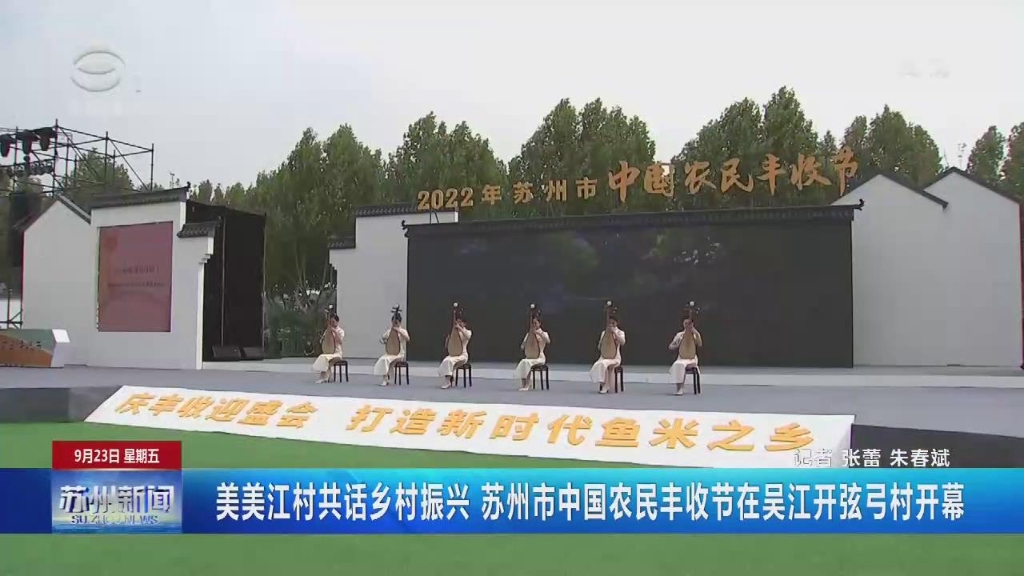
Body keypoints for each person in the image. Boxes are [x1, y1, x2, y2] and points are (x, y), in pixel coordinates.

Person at [513, 305, 550, 391]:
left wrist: (539, 334)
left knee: (527, 363)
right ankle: (524, 383)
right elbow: (522, 346)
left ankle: (528, 384)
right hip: (531, 356)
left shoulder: (544, 333)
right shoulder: (529, 334)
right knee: (523, 361)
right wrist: (525, 343)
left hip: (539, 357)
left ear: (539, 324)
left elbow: (548, 341)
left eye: (536, 323)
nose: (534, 325)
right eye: (533, 323)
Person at [373, 306, 410, 386]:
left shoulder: (403, 331)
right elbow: (382, 339)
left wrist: (399, 331)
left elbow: (407, 339)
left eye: (396, 322)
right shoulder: (389, 331)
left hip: (399, 354)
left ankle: (386, 379)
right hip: (390, 353)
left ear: (399, 322)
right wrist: (385, 341)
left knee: (387, 360)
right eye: (393, 322)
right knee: (383, 359)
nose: (394, 324)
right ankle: (385, 378)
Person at [590, 312, 625, 394]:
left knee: (603, 364)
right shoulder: (604, 333)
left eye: (613, 323)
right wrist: (601, 343)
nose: (611, 325)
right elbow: (600, 347)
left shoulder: (620, 332)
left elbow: (623, 342)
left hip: (615, 358)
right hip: (604, 356)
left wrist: (614, 333)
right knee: (598, 364)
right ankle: (603, 383)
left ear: (617, 323)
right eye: (610, 323)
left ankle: (606, 386)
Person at [438, 306, 472, 389]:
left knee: (449, 361)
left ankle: (448, 381)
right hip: (454, 354)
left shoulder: (468, 332)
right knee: (446, 360)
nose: (459, 323)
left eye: (461, 322)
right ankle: (449, 379)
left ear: (465, 324)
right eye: (458, 322)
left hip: (462, 355)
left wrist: (460, 328)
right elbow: (448, 344)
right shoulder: (454, 333)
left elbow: (467, 336)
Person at [669, 315, 703, 395]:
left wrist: (695, 332)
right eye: (685, 323)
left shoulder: (695, 334)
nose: (687, 325)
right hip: (681, 358)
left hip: (691, 359)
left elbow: (700, 344)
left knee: (681, 365)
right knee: (678, 364)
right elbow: (670, 346)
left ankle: (680, 388)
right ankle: (679, 388)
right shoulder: (680, 335)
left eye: (689, 323)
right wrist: (676, 345)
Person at [312, 313, 344, 383]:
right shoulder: (327, 331)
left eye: (333, 322)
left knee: (325, 359)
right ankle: (326, 377)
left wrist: (335, 332)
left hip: (337, 353)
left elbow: (340, 341)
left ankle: (324, 377)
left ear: (337, 322)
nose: (332, 323)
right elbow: (323, 341)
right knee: (323, 357)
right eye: (331, 322)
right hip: (329, 353)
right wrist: (323, 339)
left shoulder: (341, 331)